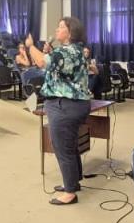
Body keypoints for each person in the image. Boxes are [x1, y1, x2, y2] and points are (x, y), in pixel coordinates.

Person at [33, 18, 92, 205]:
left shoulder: (65, 51)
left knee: (62, 148)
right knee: (71, 145)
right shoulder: (78, 50)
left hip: (64, 105)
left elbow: (41, 62)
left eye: (60, 27)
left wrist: (29, 46)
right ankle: (74, 182)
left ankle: (69, 193)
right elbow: (60, 67)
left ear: (70, 32)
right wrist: (52, 53)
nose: (56, 30)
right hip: (76, 104)